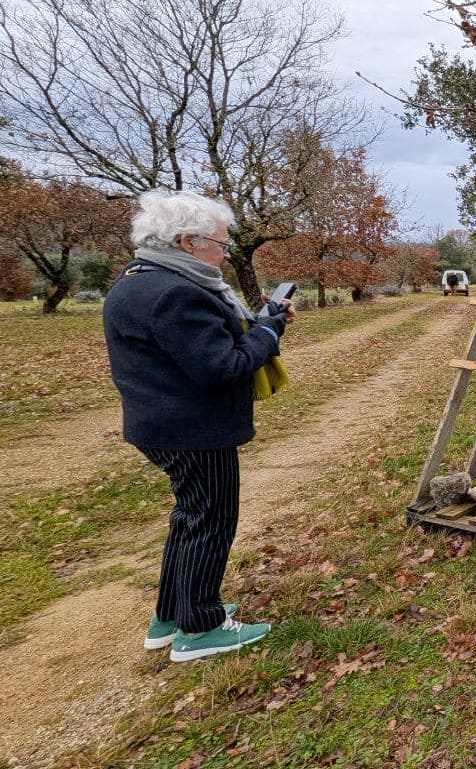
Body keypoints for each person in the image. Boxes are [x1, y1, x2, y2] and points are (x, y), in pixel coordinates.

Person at [103, 189, 293, 662]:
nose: (226, 255)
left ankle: (171, 615)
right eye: (221, 244)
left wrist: (263, 323)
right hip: (193, 430)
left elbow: (206, 344)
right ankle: (201, 627)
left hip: (163, 424)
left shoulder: (139, 279)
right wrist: (267, 334)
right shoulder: (176, 293)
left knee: (190, 517)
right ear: (188, 241)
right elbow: (222, 367)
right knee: (210, 522)